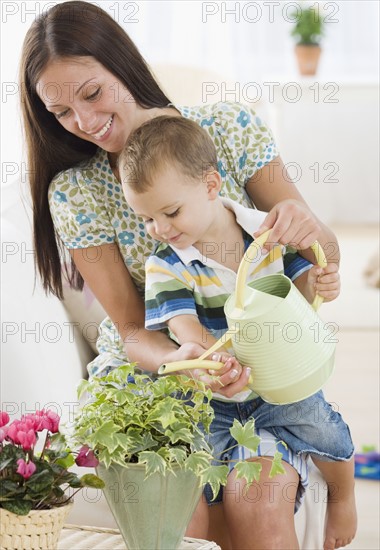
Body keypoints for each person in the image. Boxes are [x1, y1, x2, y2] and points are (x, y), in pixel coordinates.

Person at [19, 1, 353, 547]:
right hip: (161, 370)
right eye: (60, 113)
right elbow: (132, 331)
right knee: (175, 516)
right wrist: (183, 361)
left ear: (122, 66)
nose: (82, 122)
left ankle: (338, 489)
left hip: (254, 363)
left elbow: (322, 254)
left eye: (92, 94)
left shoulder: (227, 128)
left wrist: (310, 230)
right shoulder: (75, 192)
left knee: (260, 503)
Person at [119, 115, 357, 550]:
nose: (161, 229)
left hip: (275, 383)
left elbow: (300, 287)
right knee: (195, 472)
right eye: (147, 219)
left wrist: (321, 281)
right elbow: (184, 327)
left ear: (211, 186)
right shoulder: (165, 265)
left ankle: (343, 494)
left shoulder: (266, 234)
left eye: (170, 212)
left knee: (320, 423)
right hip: (213, 399)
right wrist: (207, 354)